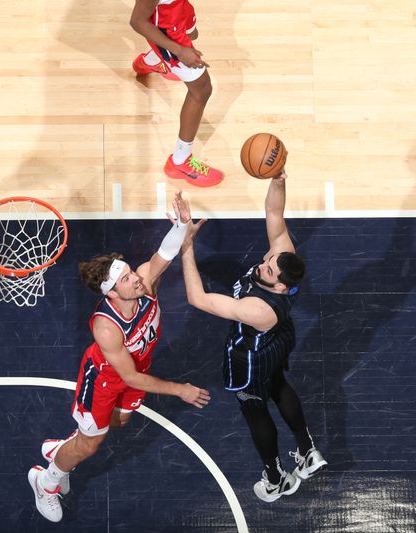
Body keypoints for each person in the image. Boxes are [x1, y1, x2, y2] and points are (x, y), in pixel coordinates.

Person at [28, 195, 211, 523]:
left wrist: (182, 225)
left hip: (137, 371)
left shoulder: (146, 284)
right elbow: (131, 379)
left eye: (130, 272)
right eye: (126, 279)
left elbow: (164, 254)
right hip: (104, 380)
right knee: (91, 447)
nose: (136, 278)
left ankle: (65, 448)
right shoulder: (107, 327)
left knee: (121, 421)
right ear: (111, 292)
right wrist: (179, 389)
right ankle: (46, 480)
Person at [178, 173, 327, 502]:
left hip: (250, 356)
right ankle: (307, 450)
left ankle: (276, 479)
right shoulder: (283, 257)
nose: (264, 264)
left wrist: (186, 245)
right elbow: (274, 213)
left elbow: (198, 299)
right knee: (277, 384)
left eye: (269, 271)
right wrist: (278, 177)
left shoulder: (257, 308)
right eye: (269, 260)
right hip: (280, 339)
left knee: (255, 410)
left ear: (280, 288)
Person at [129, 0, 223, 188]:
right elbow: (137, 21)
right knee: (202, 89)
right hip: (166, 29)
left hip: (176, 8)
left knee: (192, 33)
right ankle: (180, 161)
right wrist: (179, 51)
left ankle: (152, 60)